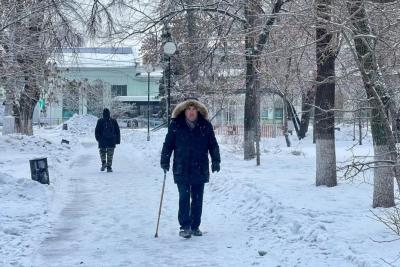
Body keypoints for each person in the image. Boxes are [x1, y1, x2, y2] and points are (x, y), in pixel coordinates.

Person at [160, 99, 220, 238]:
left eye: (194, 109)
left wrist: (216, 160)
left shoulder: (205, 125)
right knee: (184, 197)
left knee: (198, 199)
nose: (191, 112)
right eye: (188, 109)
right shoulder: (176, 125)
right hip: (182, 167)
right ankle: (185, 226)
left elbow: (213, 145)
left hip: (200, 167)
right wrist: (164, 160)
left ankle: (195, 226)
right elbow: (168, 144)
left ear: (198, 111)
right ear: (184, 111)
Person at [95, 108, 120, 172]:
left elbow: (97, 131)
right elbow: (117, 131)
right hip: (111, 140)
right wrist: (117, 140)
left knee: (102, 152)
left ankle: (103, 162)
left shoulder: (100, 121)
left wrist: (98, 139)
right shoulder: (113, 121)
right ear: (109, 114)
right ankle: (109, 167)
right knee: (110, 153)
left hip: (102, 140)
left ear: (103, 114)